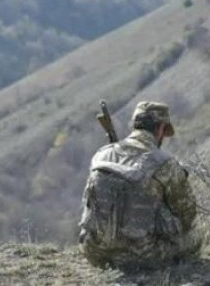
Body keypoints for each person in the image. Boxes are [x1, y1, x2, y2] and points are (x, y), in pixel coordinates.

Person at [79, 101, 200, 269]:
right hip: (142, 258)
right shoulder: (164, 164)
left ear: (135, 126)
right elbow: (187, 214)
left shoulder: (101, 155)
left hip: (94, 253)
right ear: (160, 129)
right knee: (194, 239)